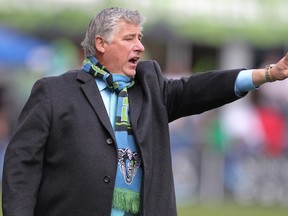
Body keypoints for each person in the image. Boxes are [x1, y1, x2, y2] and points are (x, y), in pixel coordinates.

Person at [2, 7, 288, 216]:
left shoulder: (150, 87)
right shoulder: (54, 92)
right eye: (129, 38)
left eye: (140, 37)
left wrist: (267, 74)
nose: (140, 46)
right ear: (101, 44)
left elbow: (200, 88)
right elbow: (21, 163)